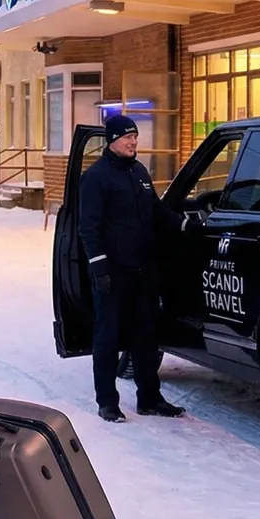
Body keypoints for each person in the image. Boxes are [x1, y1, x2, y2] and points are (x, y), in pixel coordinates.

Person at [77, 114, 187, 423]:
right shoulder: (96, 177)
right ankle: (107, 402)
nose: (133, 141)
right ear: (112, 140)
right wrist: (99, 268)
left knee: (146, 338)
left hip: (143, 270)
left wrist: (182, 223)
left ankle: (149, 398)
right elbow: (88, 227)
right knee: (108, 338)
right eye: (127, 137)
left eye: (135, 136)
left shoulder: (139, 171)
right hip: (112, 272)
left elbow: (155, 210)